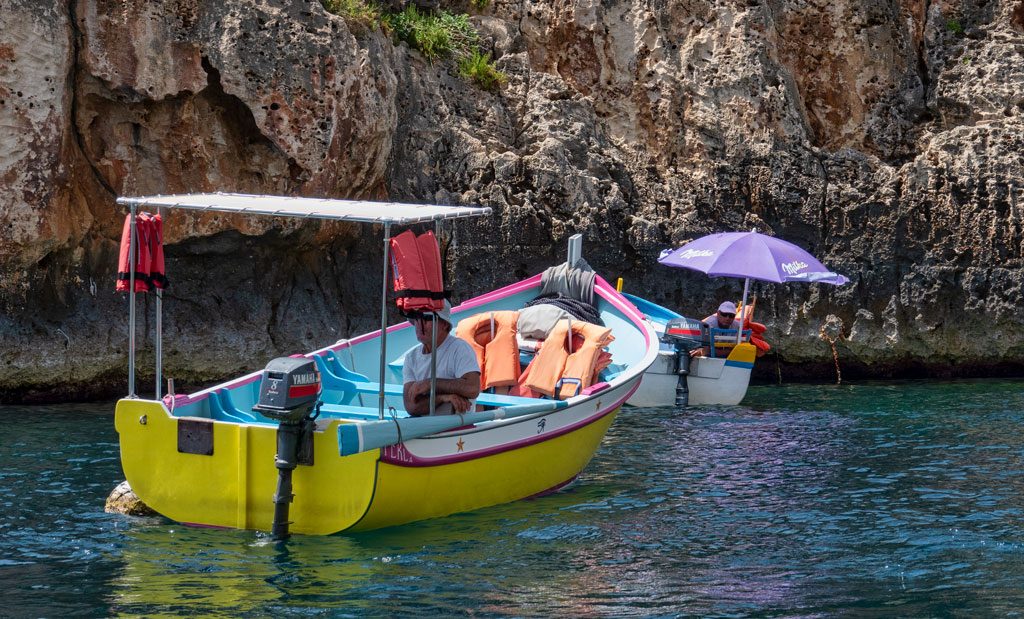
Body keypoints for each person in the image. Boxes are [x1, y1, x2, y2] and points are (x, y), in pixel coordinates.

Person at [402, 300, 481, 416]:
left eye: (427, 318)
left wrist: (430, 384)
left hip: (458, 429)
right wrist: (442, 398)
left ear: (444, 324)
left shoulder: (460, 348)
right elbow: (411, 406)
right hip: (425, 429)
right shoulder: (410, 358)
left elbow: (472, 388)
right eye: (416, 317)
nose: (419, 323)